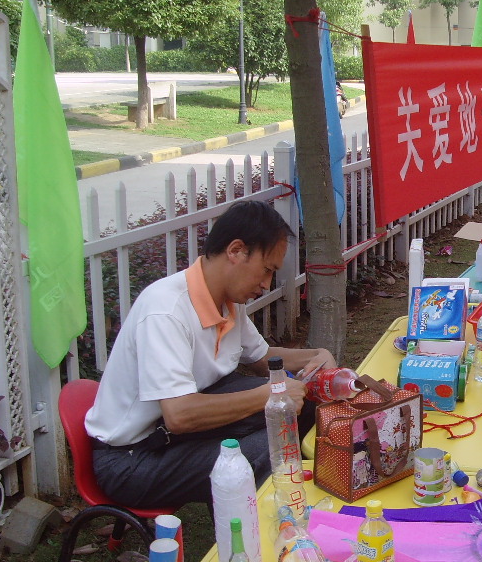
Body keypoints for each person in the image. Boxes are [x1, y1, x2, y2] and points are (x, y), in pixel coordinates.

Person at [85, 201, 336, 509]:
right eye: (266, 270)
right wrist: (272, 394)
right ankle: (277, 533)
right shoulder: (166, 310)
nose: (266, 284)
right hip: (132, 459)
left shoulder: (228, 302)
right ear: (236, 251)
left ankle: (318, 493)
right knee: (267, 447)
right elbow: (179, 415)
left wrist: (319, 355)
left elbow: (262, 357)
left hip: (173, 430)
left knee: (306, 403)